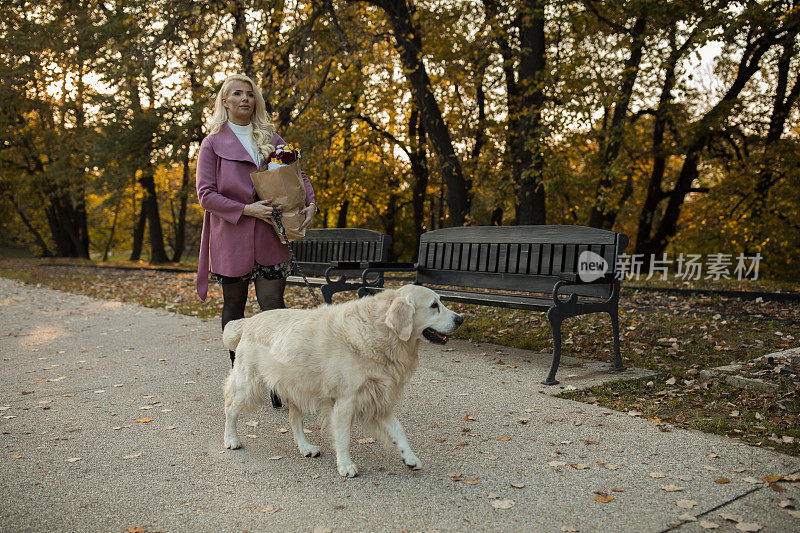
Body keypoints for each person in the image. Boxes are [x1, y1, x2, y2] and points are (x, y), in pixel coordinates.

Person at [195, 74, 317, 380]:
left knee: (274, 307)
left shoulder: (272, 138)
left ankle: (279, 382)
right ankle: (242, 376)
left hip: (270, 238)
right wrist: (245, 209)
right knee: (234, 306)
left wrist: (311, 204)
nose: (245, 99)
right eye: (237, 93)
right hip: (231, 238)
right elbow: (206, 195)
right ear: (225, 101)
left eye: (250, 94)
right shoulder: (211, 144)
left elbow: (297, 176)